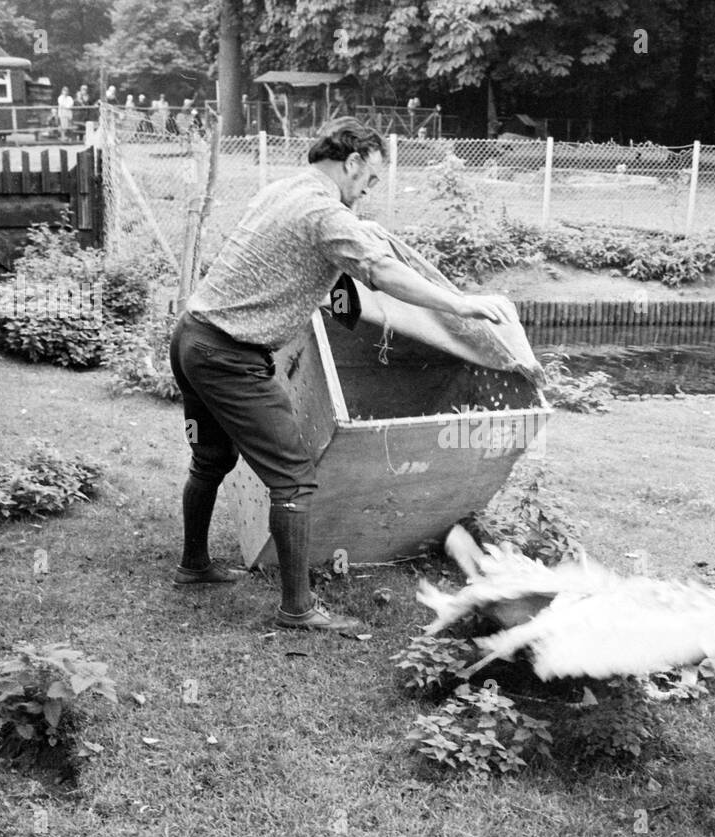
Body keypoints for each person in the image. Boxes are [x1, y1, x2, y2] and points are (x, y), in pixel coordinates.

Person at [167, 118, 514, 632]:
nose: (367, 192)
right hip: (229, 358)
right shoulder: (322, 212)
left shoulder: (282, 191)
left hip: (192, 337)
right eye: (368, 180)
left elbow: (326, 248)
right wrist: (460, 305)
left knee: (211, 458)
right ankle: (298, 610)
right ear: (351, 162)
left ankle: (193, 565)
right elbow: (385, 274)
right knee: (292, 478)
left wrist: (359, 236)